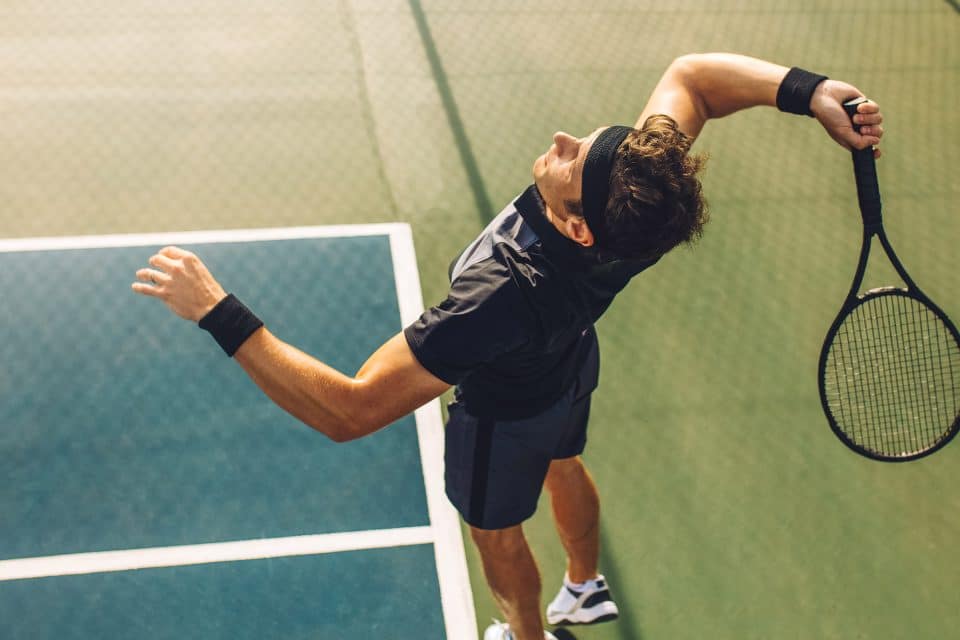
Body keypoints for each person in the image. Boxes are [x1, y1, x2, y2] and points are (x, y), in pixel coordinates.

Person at [132, 53, 884, 640]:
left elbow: (349, 411)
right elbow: (693, 80)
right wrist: (812, 91)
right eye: (590, 141)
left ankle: (527, 634)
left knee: (495, 535)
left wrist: (217, 311)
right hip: (570, 363)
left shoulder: (497, 298)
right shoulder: (641, 202)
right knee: (564, 459)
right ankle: (584, 586)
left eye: (571, 161)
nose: (562, 141)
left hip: (503, 409)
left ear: (577, 228)